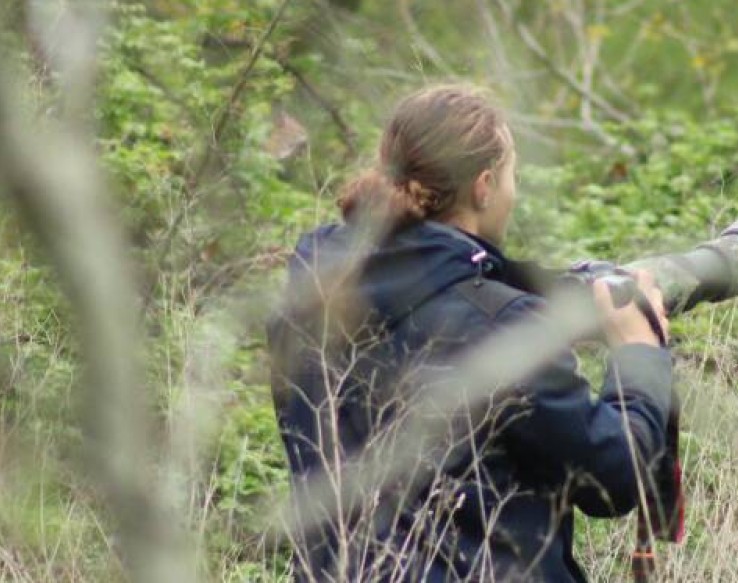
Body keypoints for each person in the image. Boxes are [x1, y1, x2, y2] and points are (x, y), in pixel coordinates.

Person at [268, 84, 678, 582]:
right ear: (484, 186)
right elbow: (611, 477)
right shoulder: (500, 327)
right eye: (511, 176)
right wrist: (638, 354)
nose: (513, 191)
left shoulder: (307, 299)